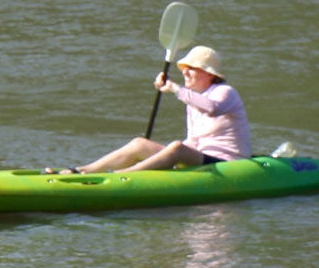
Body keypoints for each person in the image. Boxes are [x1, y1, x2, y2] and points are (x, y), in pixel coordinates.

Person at [45, 45, 250, 174]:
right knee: (140, 144)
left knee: (177, 147)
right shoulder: (193, 99)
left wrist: (173, 89)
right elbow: (194, 140)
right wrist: (164, 153)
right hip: (201, 157)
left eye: (193, 68)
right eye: (185, 68)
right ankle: (82, 170)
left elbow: (212, 109)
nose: (186, 72)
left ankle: (124, 176)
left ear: (210, 74)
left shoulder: (225, 92)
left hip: (228, 163)